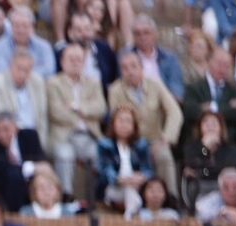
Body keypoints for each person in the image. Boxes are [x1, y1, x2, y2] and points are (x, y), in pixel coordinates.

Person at [106, 50, 184, 198]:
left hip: (155, 139)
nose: (130, 71)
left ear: (141, 69)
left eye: (133, 66)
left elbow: (175, 112)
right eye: (125, 68)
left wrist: (166, 139)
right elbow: (115, 121)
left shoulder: (156, 85)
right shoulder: (115, 90)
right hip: (130, 141)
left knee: (164, 157)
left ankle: (171, 199)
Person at [47, 42, 107, 200]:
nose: (75, 63)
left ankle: (98, 198)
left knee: (100, 155)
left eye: (78, 59)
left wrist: (76, 107)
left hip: (89, 135)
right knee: (64, 155)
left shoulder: (93, 82)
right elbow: (56, 112)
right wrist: (87, 110)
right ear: (62, 62)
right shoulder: (53, 83)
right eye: (71, 59)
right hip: (64, 136)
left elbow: (100, 108)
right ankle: (66, 196)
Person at [0, 49, 48, 147]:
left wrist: (41, 144)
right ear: (10, 67)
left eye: (26, 70)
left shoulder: (37, 83)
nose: (22, 74)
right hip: (4, 137)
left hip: (32, 137)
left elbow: (41, 117)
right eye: (19, 68)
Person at [0, 110, 47, 212]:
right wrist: (26, 168)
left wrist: (30, 169)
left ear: (16, 128)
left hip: (31, 182)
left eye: (6, 130)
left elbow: (41, 161)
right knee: (13, 175)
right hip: (5, 187)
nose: (2, 135)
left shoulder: (30, 137)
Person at [96, 105, 153, 215]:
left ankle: (130, 213)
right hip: (113, 187)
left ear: (134, 125)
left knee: (131, 189)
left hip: (136, 186)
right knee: (128, 189)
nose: (124, 125)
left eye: (128, 121)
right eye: (120, 121)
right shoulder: (105, 145)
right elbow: (105, 170)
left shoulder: (141, 145)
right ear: (113, 124)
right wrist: (120, 179)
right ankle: (131, 215)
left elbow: (148, 170)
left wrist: (141, 177)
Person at [183, 48, 236, 149]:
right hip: (199, 142)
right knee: (203, 152)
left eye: (227, 67)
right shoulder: (194, 88)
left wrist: (211, 106)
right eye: (220, 65)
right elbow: (191, 111)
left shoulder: (234, 90)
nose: (223, 70)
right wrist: (226, 107)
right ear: (209, 63)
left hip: (227, 143)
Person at [183, 110, 236, 205]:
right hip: (200, 185)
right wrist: (205, 149)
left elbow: (228, 170)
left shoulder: (230, 148)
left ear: (221, 128)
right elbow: (194, 167)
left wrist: (201, 171)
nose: (210, 127)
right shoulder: (191, 147)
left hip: (224, 185)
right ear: (200, 127)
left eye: (214, 123)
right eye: (206, 123)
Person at [122, 14, 186, 101]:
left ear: (154, 34)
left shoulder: (169, 58)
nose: (142, 37)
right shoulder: (125, 57)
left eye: (146, 33)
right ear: (133, 36)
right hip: (135, 102)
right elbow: (123, 85)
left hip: (165, 102)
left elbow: (176, 88)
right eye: (138, 34)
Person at [53, 10, 118, 92]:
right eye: (79, 30)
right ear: (70, 32)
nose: (84, 34)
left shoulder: (104, 49)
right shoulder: (60, 54)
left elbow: (114, 76)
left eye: (87, 29)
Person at [0, 6, 56, 78]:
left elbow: (49, 71)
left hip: (37, 86)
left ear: (31, 27)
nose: (21, 30)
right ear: (11, 27)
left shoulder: (44, 46)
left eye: (25, 26)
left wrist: (20, 74)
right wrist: (28, 73)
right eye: (17, 26)